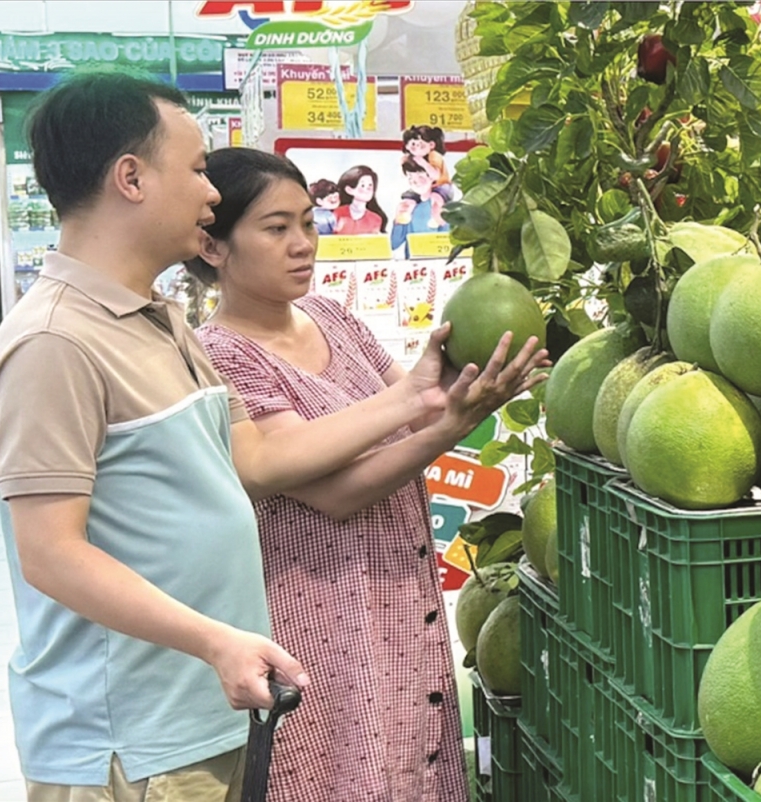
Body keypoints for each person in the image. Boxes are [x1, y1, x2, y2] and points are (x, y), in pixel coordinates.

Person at [0, 71, 544, 802]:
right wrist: (215, 639)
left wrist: (425, 401)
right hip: (130, 744)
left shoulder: (161, 323)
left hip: (205, 715)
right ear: (130, 178)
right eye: (192, 169)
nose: (210, 192)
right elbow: (51, 555)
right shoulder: (54, 340)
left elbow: (259, 459)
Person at [187, 147, 546, 802]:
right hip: (320, 615)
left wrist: (463, 396)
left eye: (306, 222)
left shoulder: (334, 318)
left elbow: (412, 411)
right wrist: (441, 420)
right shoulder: (220, 357)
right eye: (276, 228)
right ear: (214, 247)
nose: (302, 244)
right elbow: (334, 492)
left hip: (398, 593)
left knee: (412, 762)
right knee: (341, 774)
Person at [392, 160, 450, 259]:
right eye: (410, 178)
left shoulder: (443, 205)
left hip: (438, 263)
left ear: (432, 178)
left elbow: (450, 242)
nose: (415, 182)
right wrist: (398, 221)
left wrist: (442, 222)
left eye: (420, 177)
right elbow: (394, 243)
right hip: (413, 266)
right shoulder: (410, 207)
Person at [401, 125, 453, 203]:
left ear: (431, 145)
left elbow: (436, 176)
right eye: (413, 145)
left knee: (435, 199)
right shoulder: (411, 158)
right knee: (408, 201)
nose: (417, 148)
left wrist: (423, 163)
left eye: (421, 145)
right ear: (407, 147)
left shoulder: (434, 155)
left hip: (441, 186)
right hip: (424, 188)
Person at [333, 164, 388, 235]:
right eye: (362, 186)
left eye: (370, 185)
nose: (367, 189)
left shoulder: (376, 219)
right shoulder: (337, 213)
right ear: (349, 190)